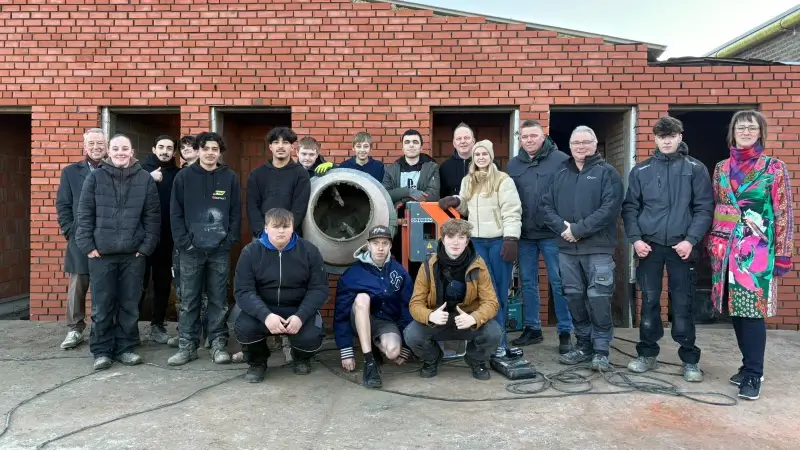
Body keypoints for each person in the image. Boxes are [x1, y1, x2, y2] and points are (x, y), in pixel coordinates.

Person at [707, 110, 793, 401]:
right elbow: (718, 206)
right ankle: (747, 366)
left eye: (751, 128)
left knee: (752, 313)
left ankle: (754, 374)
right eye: (740, 127)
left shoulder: (774, 167)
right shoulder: (720, 168)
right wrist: (713, 243)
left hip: (756, 251)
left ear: (760, 133)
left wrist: (783, 253)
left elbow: (783, 212)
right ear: (732, 132)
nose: (745, 132)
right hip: (725, 250)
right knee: (736, 312)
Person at [622, 116, 713, 382]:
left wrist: (691, 239)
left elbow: (704, 208)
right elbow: (630, 208)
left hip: (681, 247)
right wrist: (636, 239)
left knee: (683, 302)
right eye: (662, 136)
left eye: (671, 136)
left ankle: (689, 359)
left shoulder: (695, 169)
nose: (666, 141)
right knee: (649, 301)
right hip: (649, 247)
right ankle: (647, 353)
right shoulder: (641, 170)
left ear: (680, 136)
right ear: (655, 138)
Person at [74, 134, 161, 370]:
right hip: (101, 255)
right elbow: (84, 215)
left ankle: (126, 348)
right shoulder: (95, 178)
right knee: (102, 305)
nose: (120, 152)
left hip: (133, 255)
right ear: (108, 152)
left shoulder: (144, 179)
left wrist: (145, 249)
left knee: (130, 304)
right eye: (116, 148)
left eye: (125, 148)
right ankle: (102, 351)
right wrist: (88, 247)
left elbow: (153, 218)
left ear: (132, 152)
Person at [541, 126, 624, 371]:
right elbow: (546, 206)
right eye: (576, 142)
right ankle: (584, 344)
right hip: (567, 248)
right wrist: (564, 229)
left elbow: (610, 209)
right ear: (570, 145)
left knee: (598, 297)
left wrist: (579, 229)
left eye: (586, 142)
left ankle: (601, 350)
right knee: (574, 297)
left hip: (598, 248)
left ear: (595, 143)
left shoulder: (607, 173)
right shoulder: (560, 173)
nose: (581, 147)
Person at [438, 139, 522, 358]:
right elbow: (465, 204)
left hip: (498, 241)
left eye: (485, 154)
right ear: (473, 158)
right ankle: (492, 341)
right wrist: (455, 200)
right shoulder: (468, 180)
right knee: (486, 292)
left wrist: (511, 238)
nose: (481, 158)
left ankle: (502, 343)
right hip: (476, 242)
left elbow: (512, 210)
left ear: (491, 156)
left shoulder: (503, 180)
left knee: (500, 292)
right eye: (477, 155)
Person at [168, 131, 241, 366]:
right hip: (190, 250)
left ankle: (218, 344)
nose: (210, 153)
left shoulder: (229, 177)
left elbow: (235, 214)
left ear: (219, 153)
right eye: (206, 148)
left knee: (219, 300)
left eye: (215, 149)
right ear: (198, 150)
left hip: (219, 250)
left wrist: (228, 241)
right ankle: (187, 346)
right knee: (189, 300)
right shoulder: (184, 177)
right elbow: (175, 213)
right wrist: (184, 242)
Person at [234, 208, 329, 383]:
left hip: (297, 308)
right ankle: (257, 362)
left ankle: (301, 358)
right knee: (245, 328)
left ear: (293, 228)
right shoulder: (250, 252)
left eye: (286, 226)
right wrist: (266, 315)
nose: (281, 231)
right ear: (266, 228)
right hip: (263, 308)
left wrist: (300, 316)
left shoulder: (309, 251)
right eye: (276, 226)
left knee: (312, 336)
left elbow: (319, 288)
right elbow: (243, 291)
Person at [403, 219, 502, 380]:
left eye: (461, 237)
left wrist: (473, 318)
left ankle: (476, 360)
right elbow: (415, 303)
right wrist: (429, 316)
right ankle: (432, 359)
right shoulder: (428, 265)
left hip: (467, 321)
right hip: (438, 321)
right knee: (412, 334)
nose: (455, 242)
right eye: (450, 236)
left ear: (467, 241)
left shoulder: (478, 264)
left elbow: (491, 302)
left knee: (494, 333)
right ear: (442, 239)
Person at [506, 119, 574, 353]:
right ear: (520, 139)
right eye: (525, 137)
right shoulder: (513, 165)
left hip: (553, 234)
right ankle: (532, 328)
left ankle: (565, 330)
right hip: (525, 234)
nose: (529, 140)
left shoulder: (561, 160)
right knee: (528, 282)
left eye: (533, 136)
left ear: (543, 137)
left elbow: (570, 194)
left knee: (559, 282)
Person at [334, 225, 414, 389]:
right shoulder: (353, 273)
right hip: (359, 319)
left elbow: (407, 307)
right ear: (368, 245)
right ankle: (369, 362)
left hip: (385, 321)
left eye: (385, 243)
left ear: (390, 245)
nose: (380, 248)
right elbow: (341, 313)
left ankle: (376, 345)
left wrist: (406, 346)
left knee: (393, 352)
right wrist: (346, 349)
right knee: (362, 298)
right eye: (376, 243)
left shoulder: (399, 272)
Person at [56, 127, 108, 350]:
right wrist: (70, 230)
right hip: (79, 238)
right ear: (84, 146)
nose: (96, 148)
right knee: (78, 285)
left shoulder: (113, 169)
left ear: (106, 147)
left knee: (103, 286)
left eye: (100, 144)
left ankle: (100, 328)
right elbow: (63, 205)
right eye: (92, 144)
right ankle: (75, 329)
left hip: (107, 239)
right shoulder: (70, 172)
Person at [140, 135, 181, 344]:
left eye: (169, 148)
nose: (165, 151)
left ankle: (157, 325)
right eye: (161, 147)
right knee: (138, 284)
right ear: (154, 148)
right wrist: (148, 178)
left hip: (167, 240)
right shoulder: (140, 171)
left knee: (163, 285)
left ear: (174, 152)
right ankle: (131, 328)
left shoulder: (178, 175)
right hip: (142, 239)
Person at [383, 129, 440, 270]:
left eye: (415, 142)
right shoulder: (392, 169)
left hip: (424, 222)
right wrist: (409, 192)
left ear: (421, 147)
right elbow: (385, 194)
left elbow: (433, 195)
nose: (411, 145)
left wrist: (402, 199)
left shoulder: (431, 166)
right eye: (407, 142)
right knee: (402, 264)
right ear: (402, 146)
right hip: (399, 224)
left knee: (425, 264)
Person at [246, 127, 310, 236]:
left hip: (290, 237)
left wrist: (285, 231)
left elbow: (300, 208)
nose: (280, 146)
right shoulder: (257, 174)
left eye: (285, 142)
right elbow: (252, 207)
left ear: (292, 147)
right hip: (262, 237)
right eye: (276, 142)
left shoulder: (301, 174)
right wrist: (262, 233)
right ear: (270, 147)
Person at [438, 123, 475, 198]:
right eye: (459, 139)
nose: (463, 141)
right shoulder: (445, 167)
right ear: (454, 143)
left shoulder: (486, 163)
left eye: (467, 138)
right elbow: (441, 196)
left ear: (473, 141)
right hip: (454, 209)